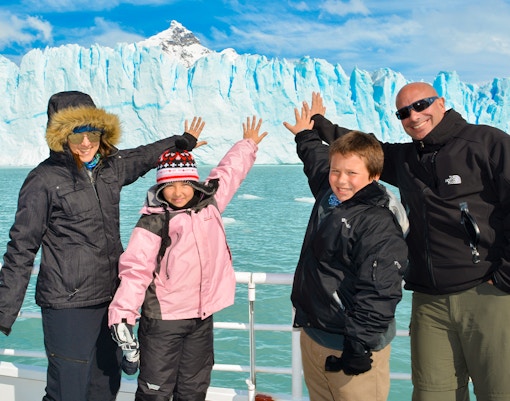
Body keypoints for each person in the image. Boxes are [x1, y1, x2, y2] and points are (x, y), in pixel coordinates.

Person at [307, 84, 510, 401]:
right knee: (432, 394)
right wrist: (319, 124)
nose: (414, 116)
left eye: (422, 105)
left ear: (441, 103)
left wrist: (504, 276)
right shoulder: (406, 159)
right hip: (429, 300)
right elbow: (365, 149)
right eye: (404, 112)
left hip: (486, 294)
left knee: (499, 392)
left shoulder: (486, 142)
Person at [0, 90, 205, 401]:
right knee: (67, 390)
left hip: (110, 298)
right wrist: (4, 311)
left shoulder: (112, 167)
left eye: (91, 132)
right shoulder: (43, 180)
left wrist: (182, 142)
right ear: (61, 136)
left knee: (104, 387)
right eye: (76, 134)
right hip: (68, 304)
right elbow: (21, 248)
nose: (86, 143)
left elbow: (145, 155)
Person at [108, 116, 267, 401]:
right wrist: (123, 316)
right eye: (170, 185)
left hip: (200, 317)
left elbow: (229, 173)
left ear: (194, 182)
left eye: (184, 184)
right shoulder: (153, 223)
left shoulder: (210, 203)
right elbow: (135, 271)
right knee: (154, 392)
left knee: (193, 391)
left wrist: (247, 145)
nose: (178, 192)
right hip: (163, 321)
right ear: (159, 188)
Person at [282, 106, 408, 401]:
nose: (341, 179)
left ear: (374, 175)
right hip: (316, 335)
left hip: (350, 344)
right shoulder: (331, 195)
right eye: (336, 171)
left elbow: (381, 288)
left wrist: (359, 344)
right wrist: (305, 135)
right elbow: (316, 162)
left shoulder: (377, 220)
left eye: (352, 173)